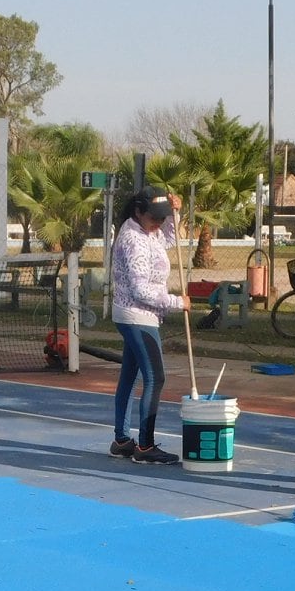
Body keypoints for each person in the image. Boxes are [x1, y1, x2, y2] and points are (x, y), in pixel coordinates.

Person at [108, 187, 188, 464]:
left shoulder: (149, 232)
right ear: (138, 212)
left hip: (137, 315)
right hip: (137, 315)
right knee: (156, 377)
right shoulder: (133, 239)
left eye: (161, 217)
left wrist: (175, 213)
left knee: (130, 376)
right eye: (155, 217)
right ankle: (145, 446)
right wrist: (177, 302)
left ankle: (121, 439)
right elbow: (140, 289)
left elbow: (169, 239)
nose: (159, 222)